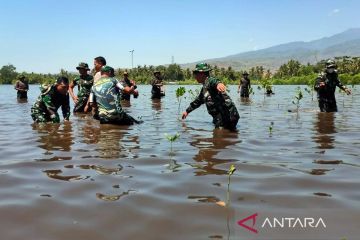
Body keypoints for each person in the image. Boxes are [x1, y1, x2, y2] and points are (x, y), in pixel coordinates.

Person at [182, 63, 240, 130]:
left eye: (196, 74)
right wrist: (187, 111)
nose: (195, 76)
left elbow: (214, 81)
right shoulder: (205, 87)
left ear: (202, 74)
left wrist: (219, 84)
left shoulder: (209, 81)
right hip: (222, 117)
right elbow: (198, 101)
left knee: (219, 137)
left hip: (227, 116)